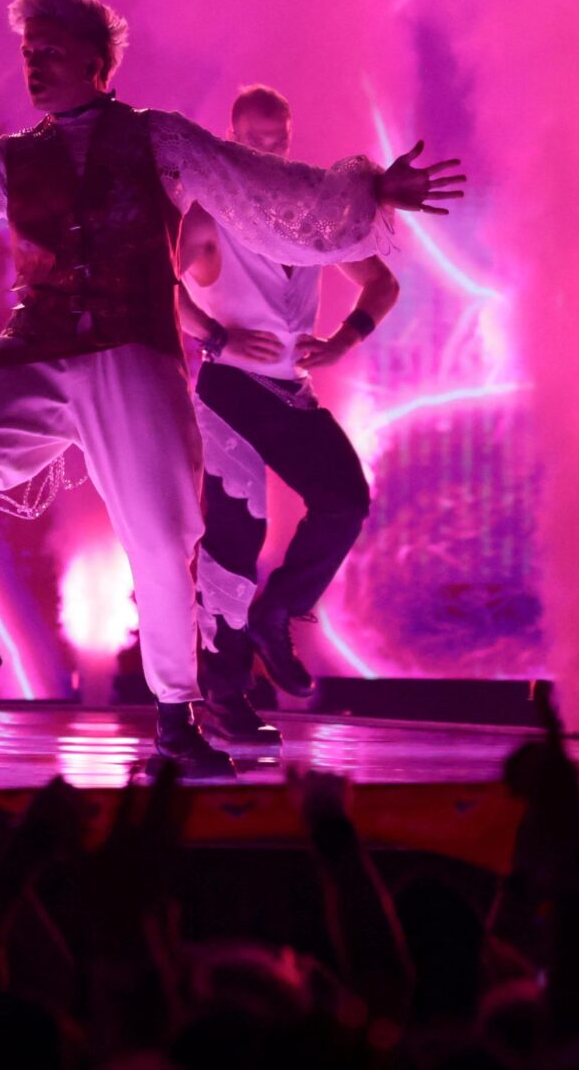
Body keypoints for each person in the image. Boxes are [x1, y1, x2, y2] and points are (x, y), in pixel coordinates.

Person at [0, 0, 463, 773]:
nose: (35, 65)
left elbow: (259, 185)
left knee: (161, 540)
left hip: (132, 348)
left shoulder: (156, 139)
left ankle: (174, 715)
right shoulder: (13, 159)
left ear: (96, 62)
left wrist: (370, 192)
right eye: (28, 53)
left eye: (50, 52)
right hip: (39, 345)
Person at [174, 84, 399, 753]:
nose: (268, 152)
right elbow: (161, 291)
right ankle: (224, 692)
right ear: (234, 138)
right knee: (238, 533)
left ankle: (277, 614)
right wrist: (215, 338)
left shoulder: (311, 215)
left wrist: (342, 340)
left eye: (279, 141)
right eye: (255, 141)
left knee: (345, 500)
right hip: (230, 389)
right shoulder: (209, 210)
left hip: (288, 390)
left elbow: (382, 281)